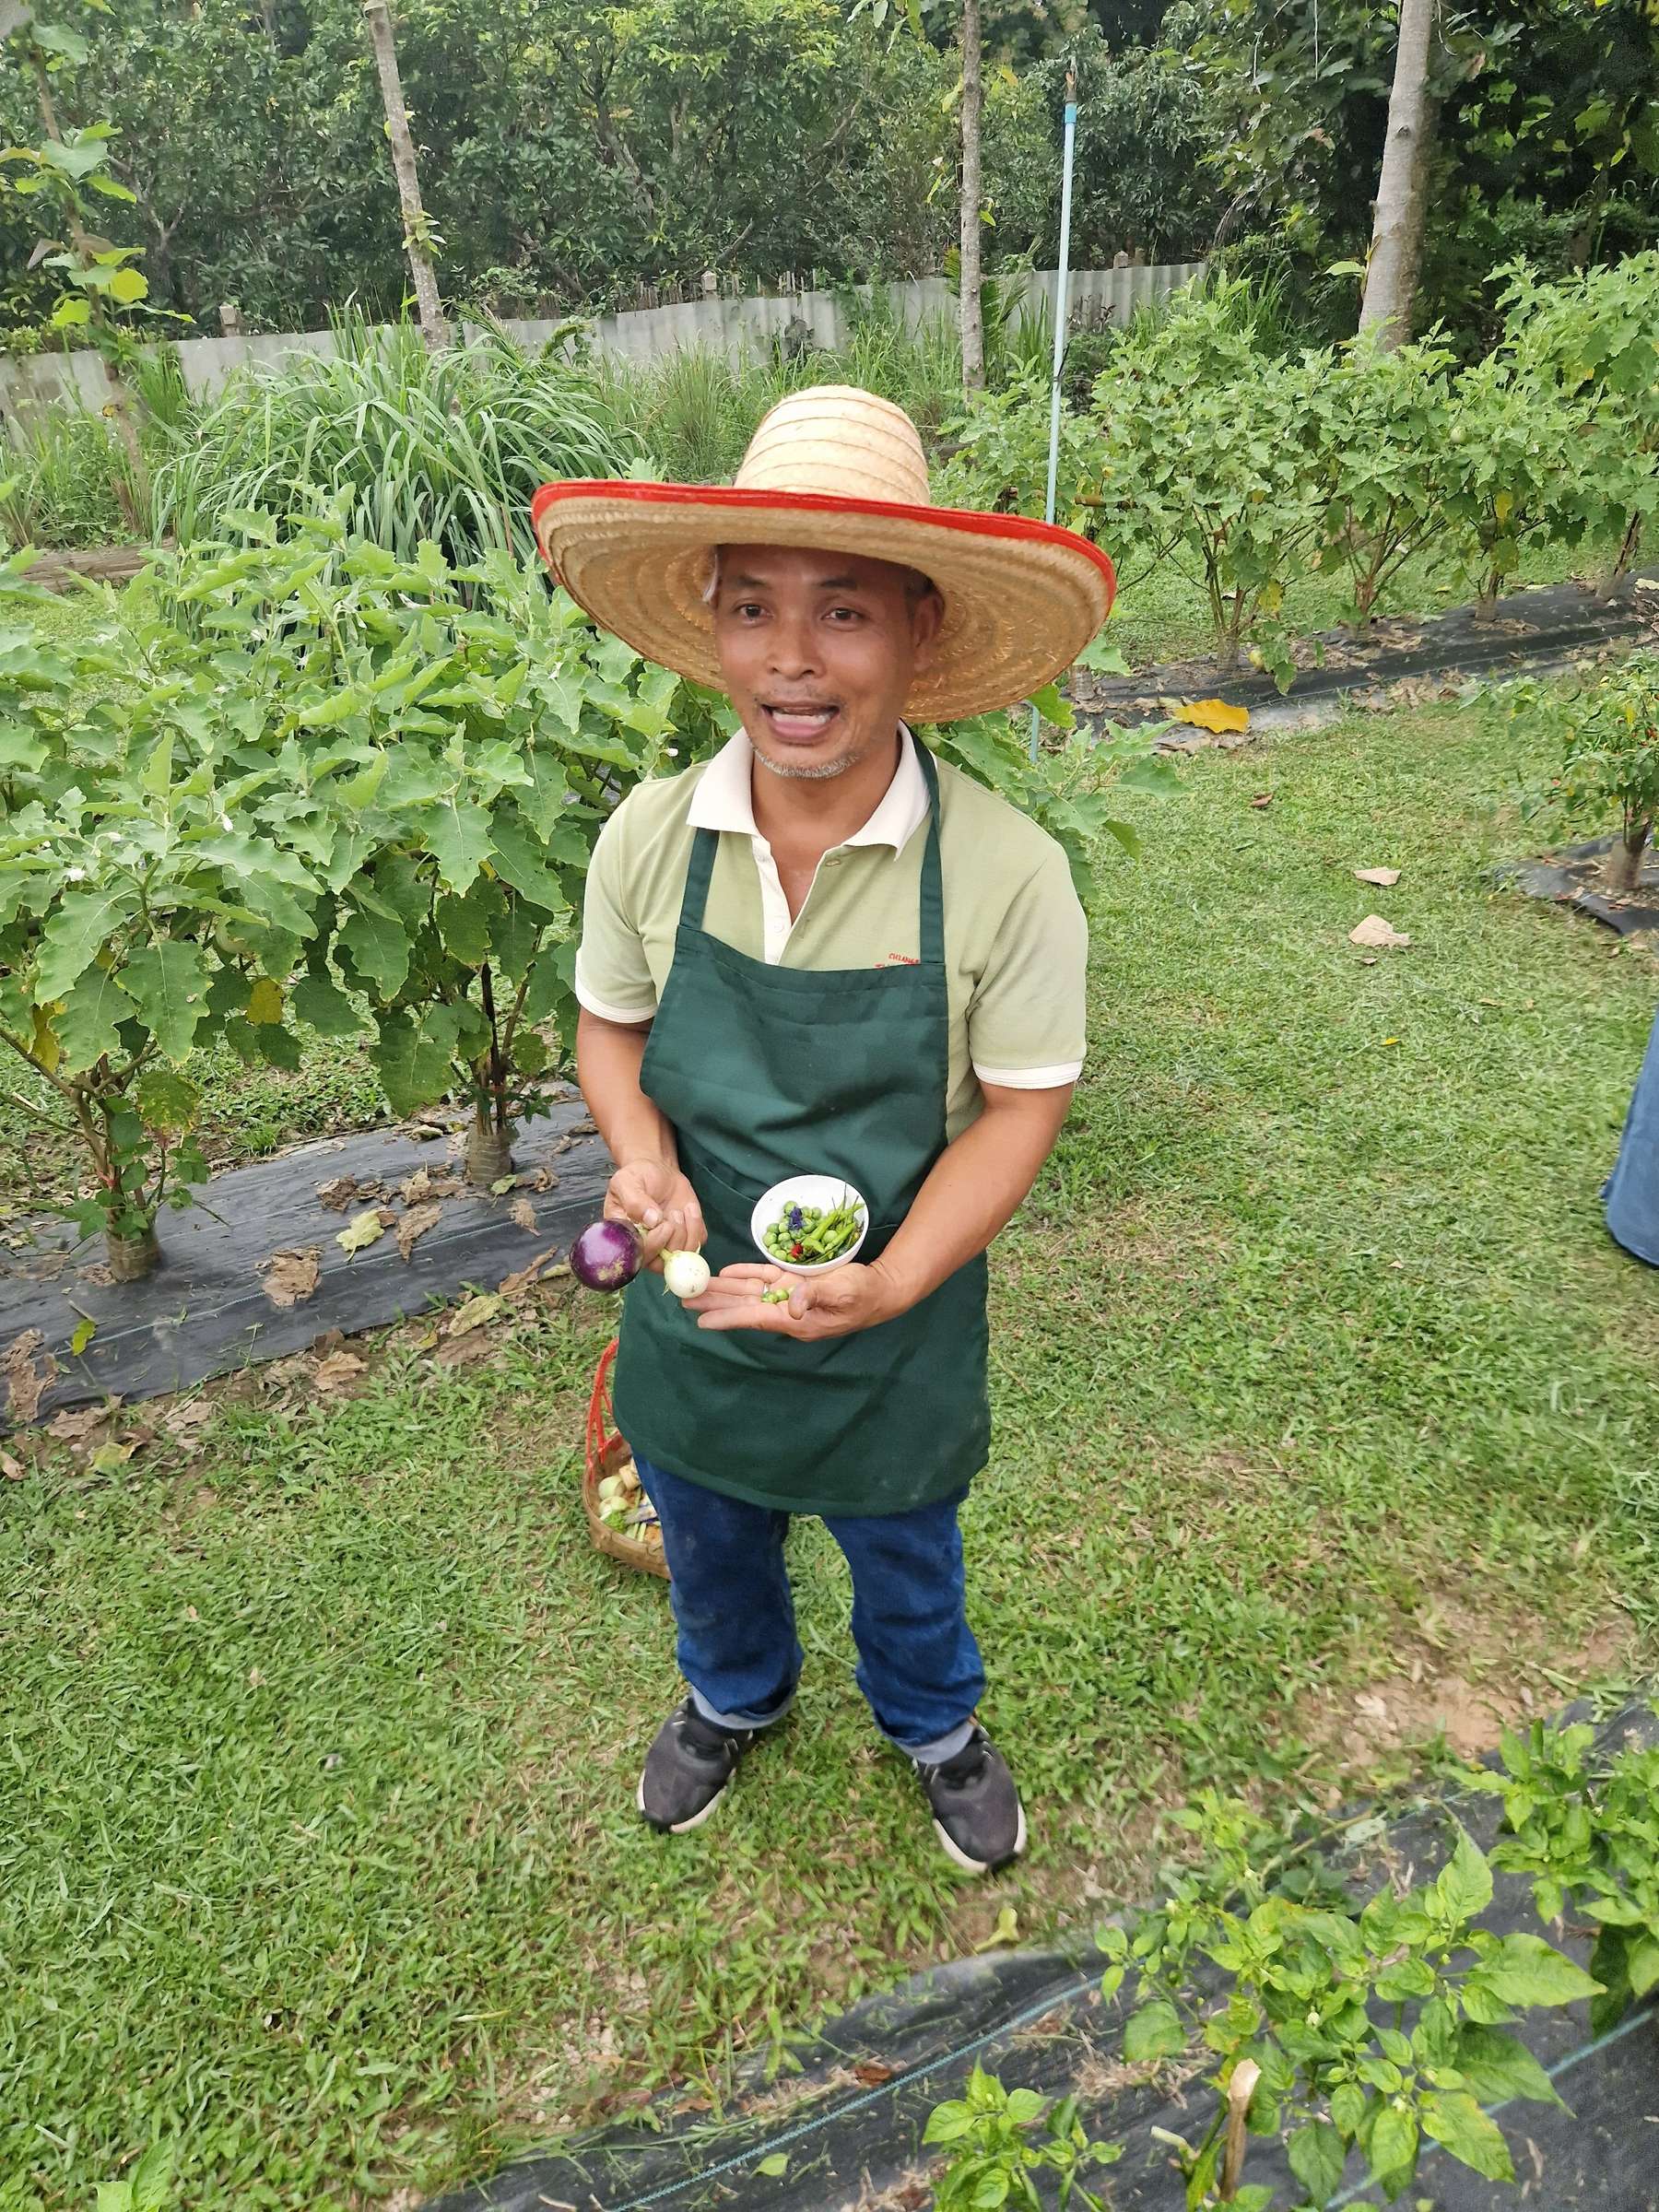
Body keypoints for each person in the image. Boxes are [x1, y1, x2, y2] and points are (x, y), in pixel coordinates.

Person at [533, 386, 1115, 1874]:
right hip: (698, 1296)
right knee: (708, 1534)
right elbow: (612, 1030)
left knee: (905, 1548)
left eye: (843, 612)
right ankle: (734, 1696)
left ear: (920, 633)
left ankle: (934, 1722)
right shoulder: (649, 840)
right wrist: (644, 1159)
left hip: (895, 1318)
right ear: (715, 630)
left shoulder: (1005, 872)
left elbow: (1023, 1106)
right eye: (753, 608)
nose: (791, 660)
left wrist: (900, 1279)